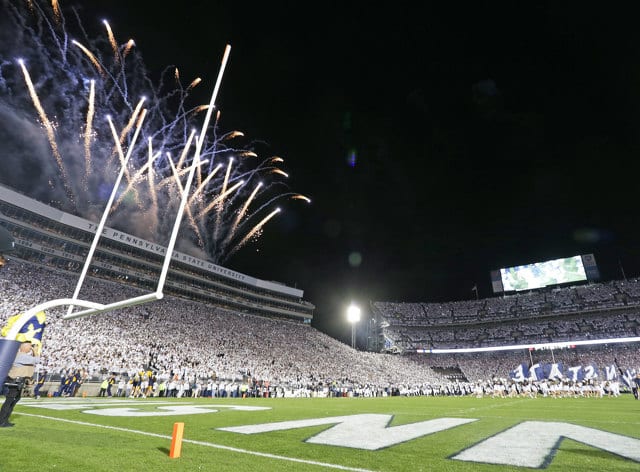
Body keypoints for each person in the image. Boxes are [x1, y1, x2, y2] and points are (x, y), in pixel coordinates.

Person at [0, 341, 38, 427]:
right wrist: (35, 350)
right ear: (24, 347)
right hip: (15, 381)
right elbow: (37, 360)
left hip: (18, 381)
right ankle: (2, 421)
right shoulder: (21, 356)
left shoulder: (21, 356)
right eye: (29, 346)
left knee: (13, 400)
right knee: (9, 401)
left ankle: (4, 420)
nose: (30, 348)